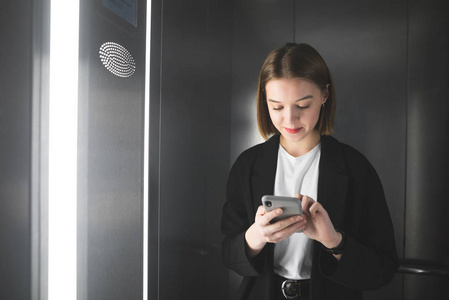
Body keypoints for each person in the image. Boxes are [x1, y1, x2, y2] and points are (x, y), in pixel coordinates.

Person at [221, 43, 398, 300]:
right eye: (277, 107)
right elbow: (227, 252)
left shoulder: (356, 168)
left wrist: (334, 241)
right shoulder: (247, 165)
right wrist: (256, 237)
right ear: (264, 100)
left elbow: (384, 268)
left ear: (325, 94)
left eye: (303, 105)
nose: (290, 120)